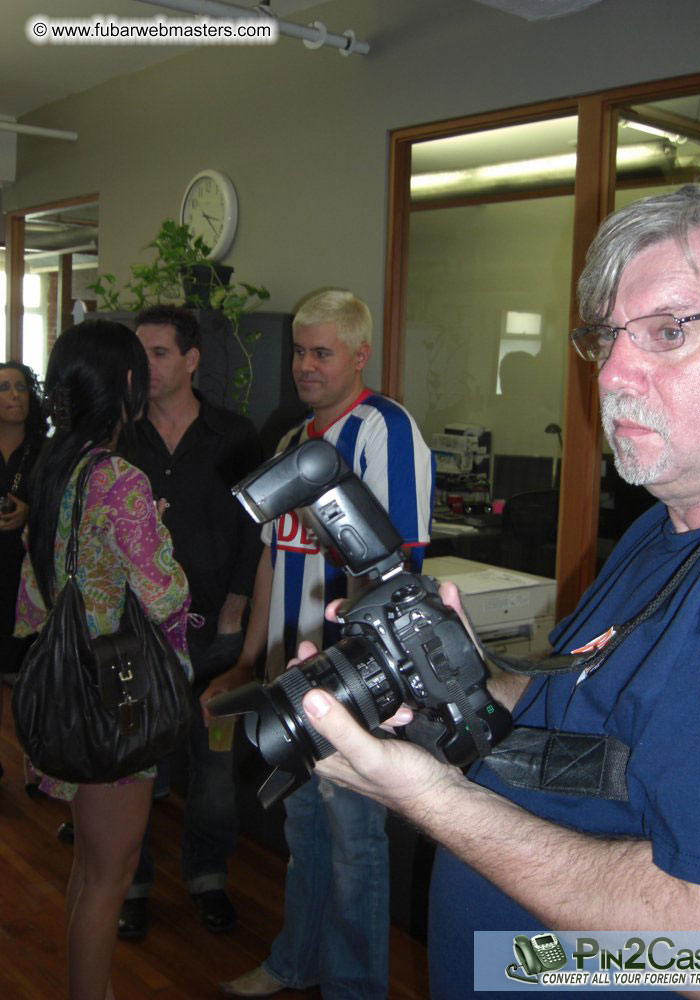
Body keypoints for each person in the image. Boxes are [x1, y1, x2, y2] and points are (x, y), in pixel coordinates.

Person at [279, 186, 700, 1000]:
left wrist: (430, 798)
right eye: (606, 338)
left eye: (669, 332)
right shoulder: (663, 529)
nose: (613, 373)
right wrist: (463, 670)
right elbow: (586, 719)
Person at [202, 289, 434, 999]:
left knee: (355, 846)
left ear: (359, 355)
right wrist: (251, 660)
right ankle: (295, 961)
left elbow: (401, 564)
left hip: (351, 684)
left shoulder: (384, 430)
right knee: (305, 832)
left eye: (321, 352)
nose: (305, 364)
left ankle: (355, 988)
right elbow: (274, 557)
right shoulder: (292, 445)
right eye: (300, 351)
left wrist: (359, 679)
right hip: (291, 679)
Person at [14, 319, 192, 1000]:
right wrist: (160, 530)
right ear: (124, 384)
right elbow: (165, 593)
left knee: (88, 868)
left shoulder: (53, 466)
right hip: (117, 678)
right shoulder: (119, 480)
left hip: (65, 678)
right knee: (111, 878)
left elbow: (33, 596)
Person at [116, 305, 263, 940]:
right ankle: (134, 881)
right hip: (138, 638)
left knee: (214, 776)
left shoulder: (235, 435)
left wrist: (236, 607)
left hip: (217, 638)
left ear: (192, 359)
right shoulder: (120, 438)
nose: (145, 366)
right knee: (138, 771)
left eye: (159, 353)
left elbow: (259, 532)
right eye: (139, 354)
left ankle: (206, 877)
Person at [0, 361, 47, 768]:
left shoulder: (45, 450)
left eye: (20, 387)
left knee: (31, 676)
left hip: (29, 573)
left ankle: (37, 764)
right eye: (4, 388)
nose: (14, 395)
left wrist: (29, 513)